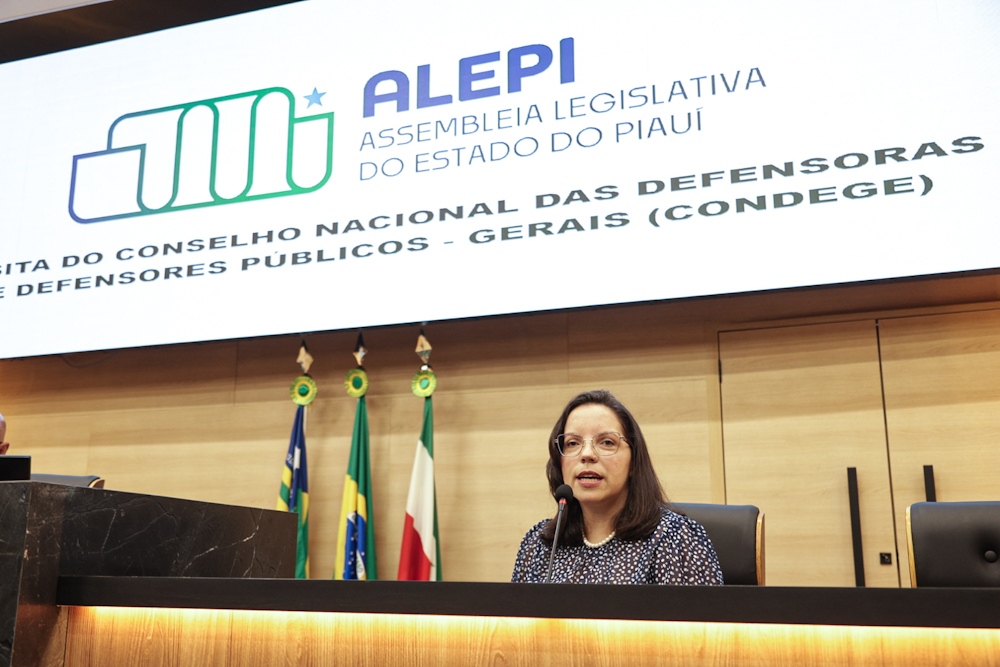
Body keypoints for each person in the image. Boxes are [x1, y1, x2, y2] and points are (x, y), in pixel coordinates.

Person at [511, 390, 724, 585]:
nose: (586, 454)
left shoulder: (673, 538)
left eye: (607, 442)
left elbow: (701, 626)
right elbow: (514, 624)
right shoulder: (540, 543)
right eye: (573, 443)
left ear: (633, 462)